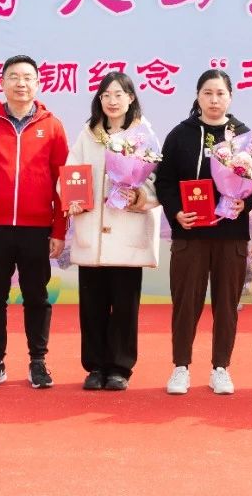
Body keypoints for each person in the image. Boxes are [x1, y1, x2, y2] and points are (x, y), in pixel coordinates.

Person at [0, 55, 68, 390]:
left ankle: (38, 362)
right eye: (14, 77)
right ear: (2, 82)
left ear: (38, 83)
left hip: (37, 228)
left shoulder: (53, 126)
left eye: (27, 77)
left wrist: (59, 230)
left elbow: (63, 182)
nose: (21, 83)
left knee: (36, 297)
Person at [153, 69, 252, 396]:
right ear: (198, 96)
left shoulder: (244, 137)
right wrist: (175, 212)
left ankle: (221, 368)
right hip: (190, 234)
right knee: (186, 303)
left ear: (230, 97)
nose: (214, 100)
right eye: (207, 93)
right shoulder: (180, 134)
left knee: (226, 304)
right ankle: (180, 366)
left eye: (220, 93)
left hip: (230, 235)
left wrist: (245, 203)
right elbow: (164, 181)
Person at [64, 72, 161, 391]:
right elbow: (71, 172)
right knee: (91, 306)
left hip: (127, 232)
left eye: (119, 94)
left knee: (124, 307)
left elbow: (158, 181)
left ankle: (120, 368)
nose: (112, 100)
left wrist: (141, 196)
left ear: (131, 98)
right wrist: (71, 197)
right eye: (106, 95)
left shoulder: (144, 134)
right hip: (92, 232)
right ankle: (94, 367)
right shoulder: (88, 134)